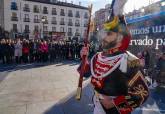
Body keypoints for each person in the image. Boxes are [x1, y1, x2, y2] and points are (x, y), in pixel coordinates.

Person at [78, 9, 149, 114]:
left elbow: (142, 93)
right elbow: (88, 72)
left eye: (109, 34)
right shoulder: (98, 56)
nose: (104, 37)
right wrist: (84, 58)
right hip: (97, 104)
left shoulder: (130, 60)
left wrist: (114, 102)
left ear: (120, 37)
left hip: (115, 110)